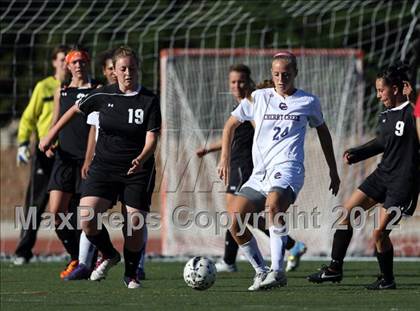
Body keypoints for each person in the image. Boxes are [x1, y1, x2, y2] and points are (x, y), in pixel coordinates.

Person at [39, 46, 161, 289]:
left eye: (132, 68)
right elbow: (74, 108)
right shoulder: (103, 95)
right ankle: (109, 253)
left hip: (137, 171)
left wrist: (142, 156)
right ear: (114, 71)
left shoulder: (149, 99)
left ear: (138, 69)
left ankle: (131, 273)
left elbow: (152, 138)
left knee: (134, 224)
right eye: (123, 68)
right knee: (87, 216)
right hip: (104, 167)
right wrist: (51, 133)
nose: (128, 73)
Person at [218, 51, 340, 291]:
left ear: (295, 73)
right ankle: (261, 271)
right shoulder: (257, 98)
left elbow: (324, 133)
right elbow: (230, 124)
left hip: (289, 168)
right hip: (260, 173)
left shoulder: (308, 101)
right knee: (235, 221)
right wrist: (224, 158)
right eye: (276, 74)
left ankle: (277, 271)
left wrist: (333, 170)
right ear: (271, 75)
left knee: (273, 206)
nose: (281, 79)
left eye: (286, 74)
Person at [307, 64, 419, 290]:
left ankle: (387, 280)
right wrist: (358, 153)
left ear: (396, 89)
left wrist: (415, 100)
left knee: (379, 232)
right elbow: (382, 142)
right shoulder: (387, 114)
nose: (378, 96)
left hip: (403, 182)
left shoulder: (412, 111)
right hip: (382, 175)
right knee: (346, 215)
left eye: (381, 90)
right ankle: (334, 269)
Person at [196, 65, 306, 273]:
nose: (237, 86)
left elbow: (263, 133)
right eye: (233, 82)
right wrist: (209, 148)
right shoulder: (243, 106)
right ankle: (291, 245)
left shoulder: (257, 103)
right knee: (244, 216)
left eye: (241, 81)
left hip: (248, 166)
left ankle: (230, 261)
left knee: (236, 213)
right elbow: (235, 136)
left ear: (249, 82)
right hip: (238, 162)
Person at [14, 45, 69, 265]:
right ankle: (22, 251)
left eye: (69, 59)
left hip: (68, 154)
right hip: (45, 153)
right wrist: (23, 143)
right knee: (35, 204)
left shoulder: (77, 88)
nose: (66, 63)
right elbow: (28, 117)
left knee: (69, 206)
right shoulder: (44, 87)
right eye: (62, 59)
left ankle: (75, 252)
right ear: (54, 62)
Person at [47, 47, 97, 279]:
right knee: (56, 210)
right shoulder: (63, 91)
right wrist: (49, 142)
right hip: (63, 158)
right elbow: (55, 120)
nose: (78, 65)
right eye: (74, 62)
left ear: (88, 63)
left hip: (85, 160)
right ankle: (76, 255)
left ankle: (86, 259)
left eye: (82, 61)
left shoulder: (96, 90)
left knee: (83, 214)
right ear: (67, 67)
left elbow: (95, 127)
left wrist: (89, 157)